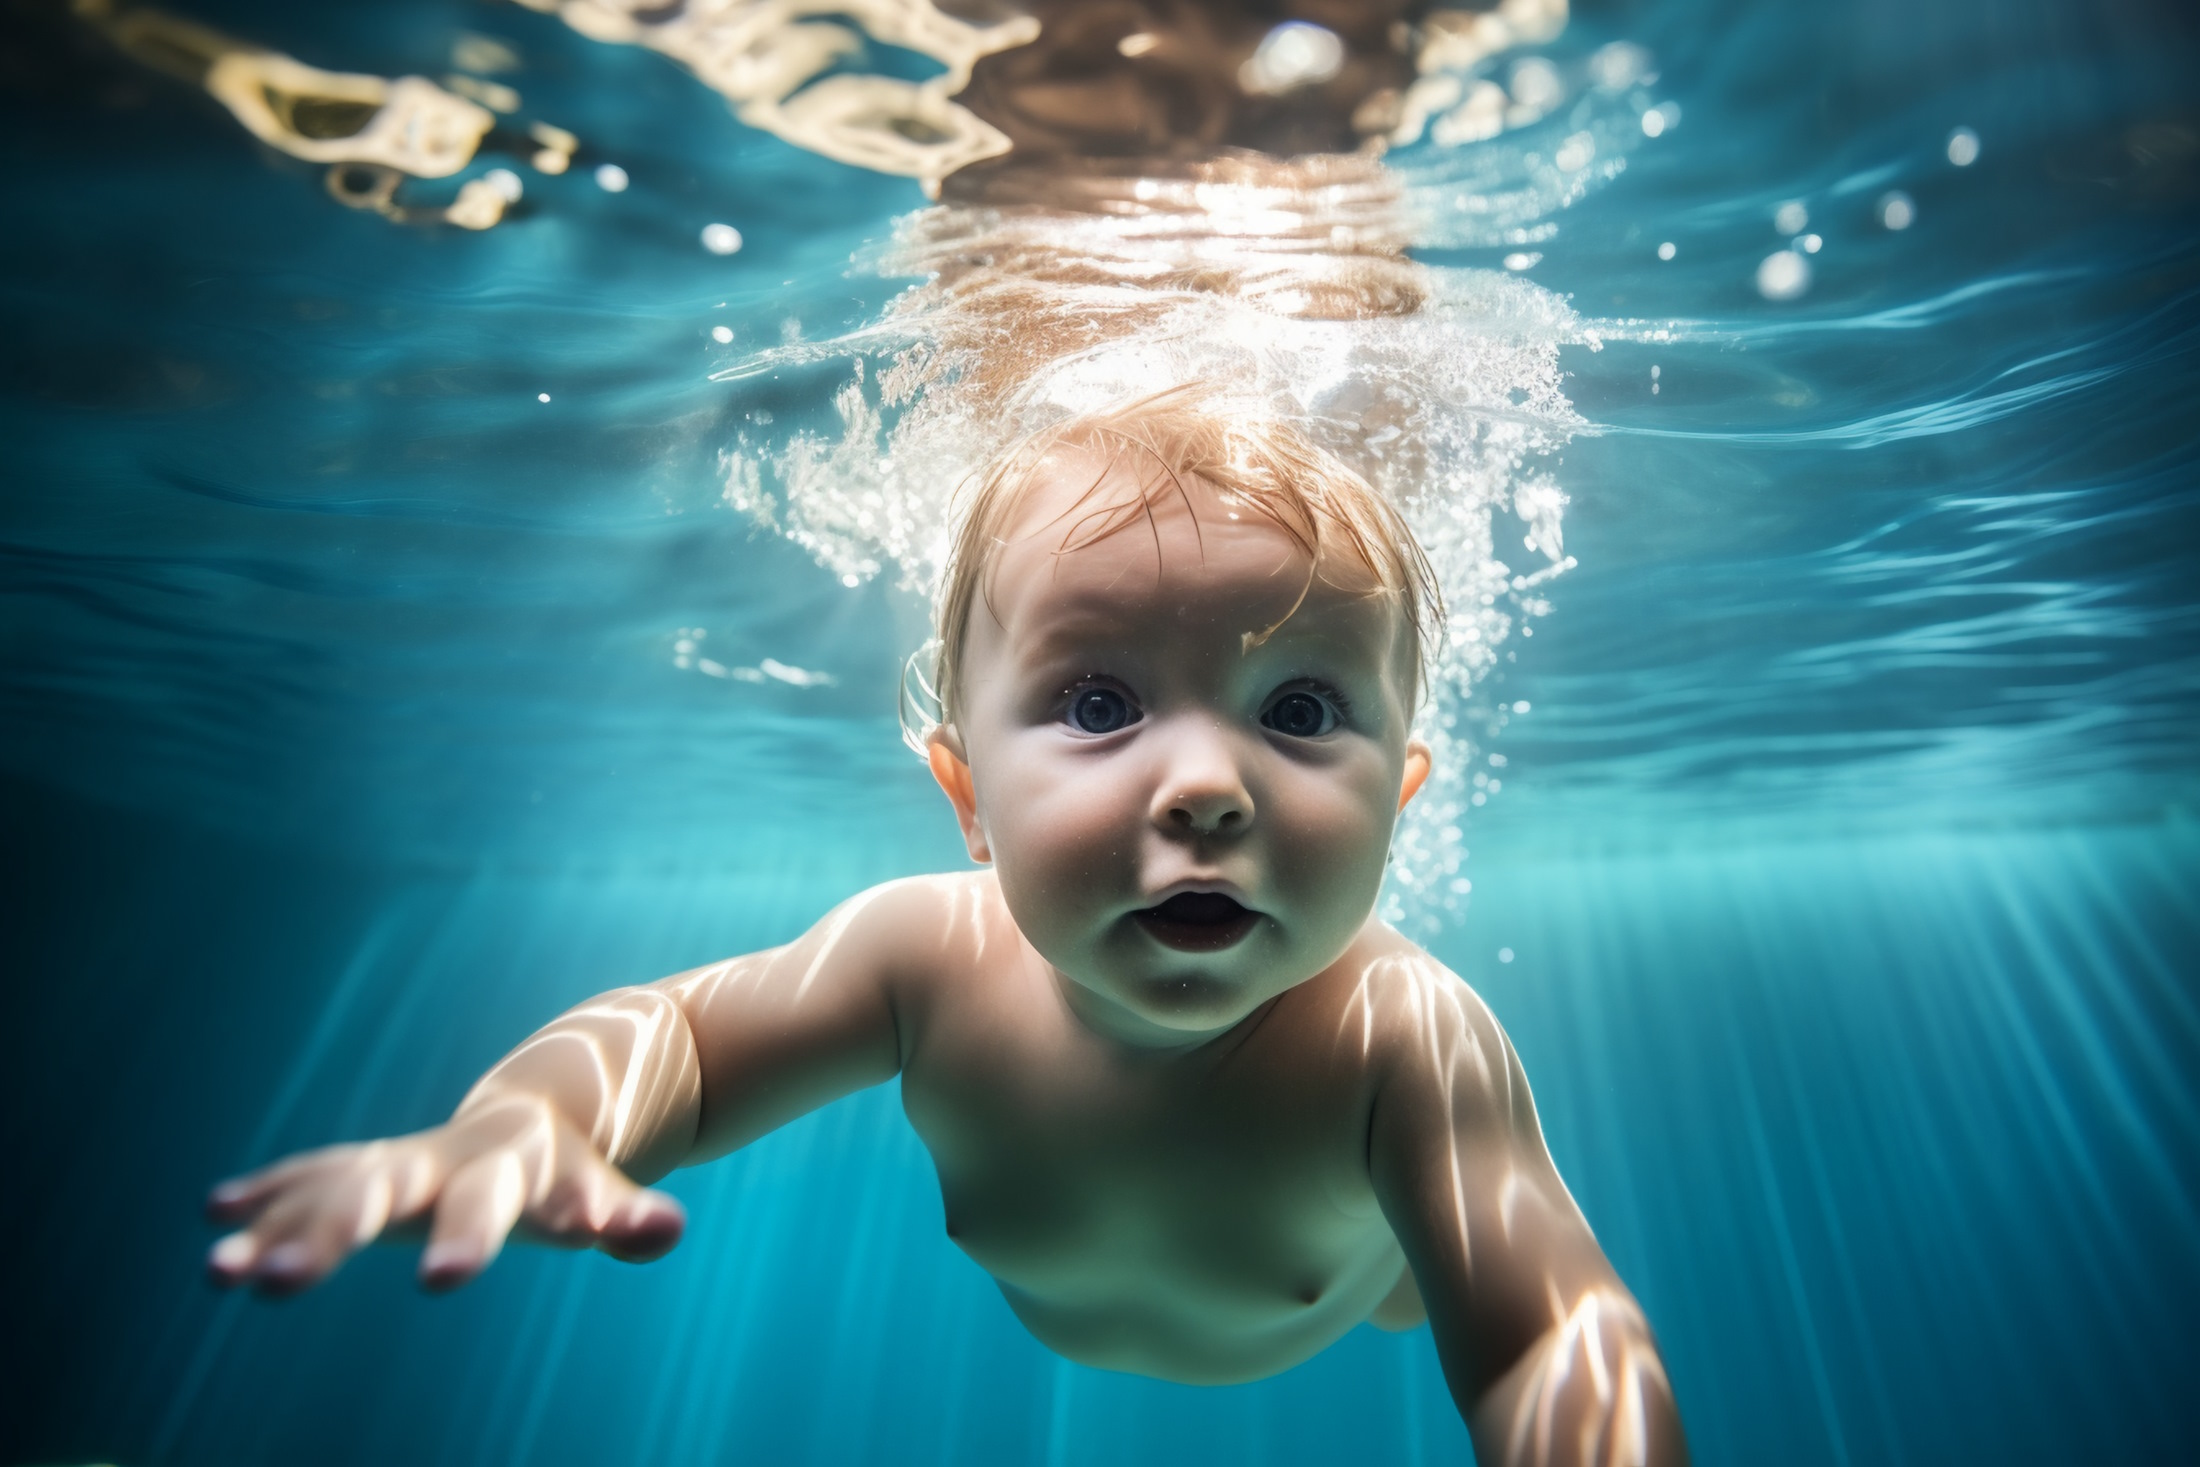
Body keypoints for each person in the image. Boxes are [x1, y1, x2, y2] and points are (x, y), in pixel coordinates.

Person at [206, 390, 1687, 1466]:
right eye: (1099, 703)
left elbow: (1554, 1335)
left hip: (1347, 1308)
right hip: (1169, 1305)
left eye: (1301, 711)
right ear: (966, 794)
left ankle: (1392, 1275)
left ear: (1402, 799)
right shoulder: (922, 957)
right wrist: (524, 1118)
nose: (1207, 785)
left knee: (1421, 1293)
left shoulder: (1406, 1043)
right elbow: (679, 1038)